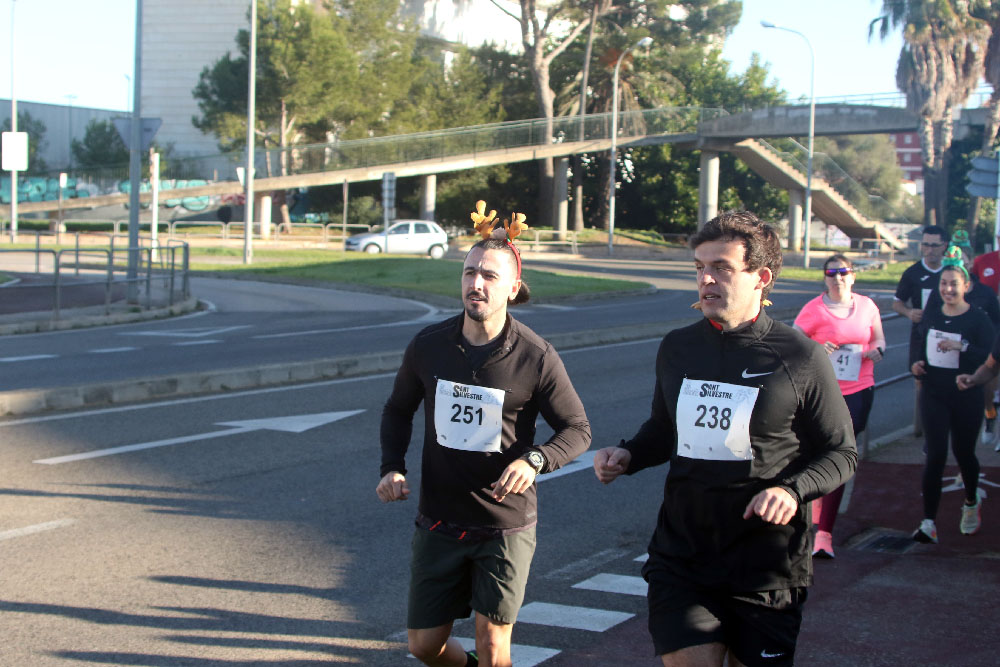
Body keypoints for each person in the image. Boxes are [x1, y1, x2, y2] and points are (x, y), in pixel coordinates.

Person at [593, 211, 857, 667]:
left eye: (722, 268)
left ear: (761, 277)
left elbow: (841, 453)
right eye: (699, 268)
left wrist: (791, 491)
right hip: (684, 557)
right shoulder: (677, 347)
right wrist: (629, 454)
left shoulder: (801, 355)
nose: (707, 279)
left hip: (766, 566)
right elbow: (663, 429)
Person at [377, 201, 591, 667]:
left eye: (490, 276)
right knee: (423, 646)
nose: (476, 283)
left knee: (495, 648)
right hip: (439, 519)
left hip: (503, 525)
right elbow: (397, 409)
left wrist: (534, 460)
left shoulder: (535, 356)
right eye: (470, 272)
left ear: (514, 287)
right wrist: (391, 466)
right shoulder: (430, 345)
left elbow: (577, 430)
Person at [793, 253, 885, 558]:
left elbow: (879, 341)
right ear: (825, 278)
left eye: (843, 272)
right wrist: (817, 349)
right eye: (831, 273)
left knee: (839, 455)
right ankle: (817, 530)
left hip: (859, 388)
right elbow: (794, 345)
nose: (838, 278)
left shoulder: (868, 307)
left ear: (853, 276)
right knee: (819, 454)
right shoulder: (813, 310)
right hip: (822, 391)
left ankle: (824, 532)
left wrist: (875, 351)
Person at [910, 248, 992, 542]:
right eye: (943, 284)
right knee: (935, 454)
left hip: (966, 393)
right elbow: (921, 353)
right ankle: (928, 522)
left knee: (963, 452)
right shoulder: (932, 316)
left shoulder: (978, 319)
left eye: (953, 284)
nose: (947, 289)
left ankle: (971, 501)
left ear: (966, 286)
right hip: (934, 393)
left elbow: (990, 356)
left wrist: (963, 348)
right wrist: (916, 366)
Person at [924, 231, 1000, 444]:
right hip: (944, 362)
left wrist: (968, 345)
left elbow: (994, 324)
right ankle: (935, 438)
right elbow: (925, 325)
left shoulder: (984, 295)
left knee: (986, 385)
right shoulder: (937, 294)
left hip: (977, 351)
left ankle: (989, 414)